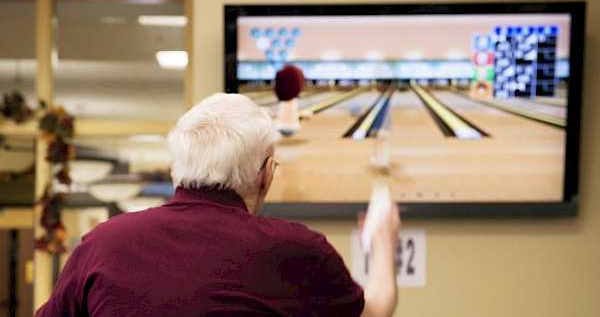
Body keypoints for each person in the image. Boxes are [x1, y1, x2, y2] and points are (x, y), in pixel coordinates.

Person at [35, 93, 400, 317]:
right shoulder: (298, 250)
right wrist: (383, 241)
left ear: (175, 169)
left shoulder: (103, 244)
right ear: (266, 175)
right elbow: (375, 311)